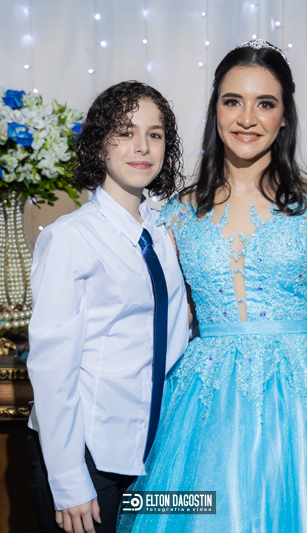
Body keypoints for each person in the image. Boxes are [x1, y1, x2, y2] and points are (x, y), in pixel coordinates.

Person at [117, 41, 307, 532]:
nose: (247, 118)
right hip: (206, 407)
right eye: (233, 101)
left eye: (265, 103)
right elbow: (163, 316)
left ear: (284, 117)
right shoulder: (177, 212)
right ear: (216, 110)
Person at [27, 81, 188, 533]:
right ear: (100, 144)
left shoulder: (166, 229)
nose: (142, 147)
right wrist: (68, 477)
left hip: (154, 449)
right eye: (125, 132)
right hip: (88, 455)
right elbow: (52, 368)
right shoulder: (69, 238)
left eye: (155, 134)